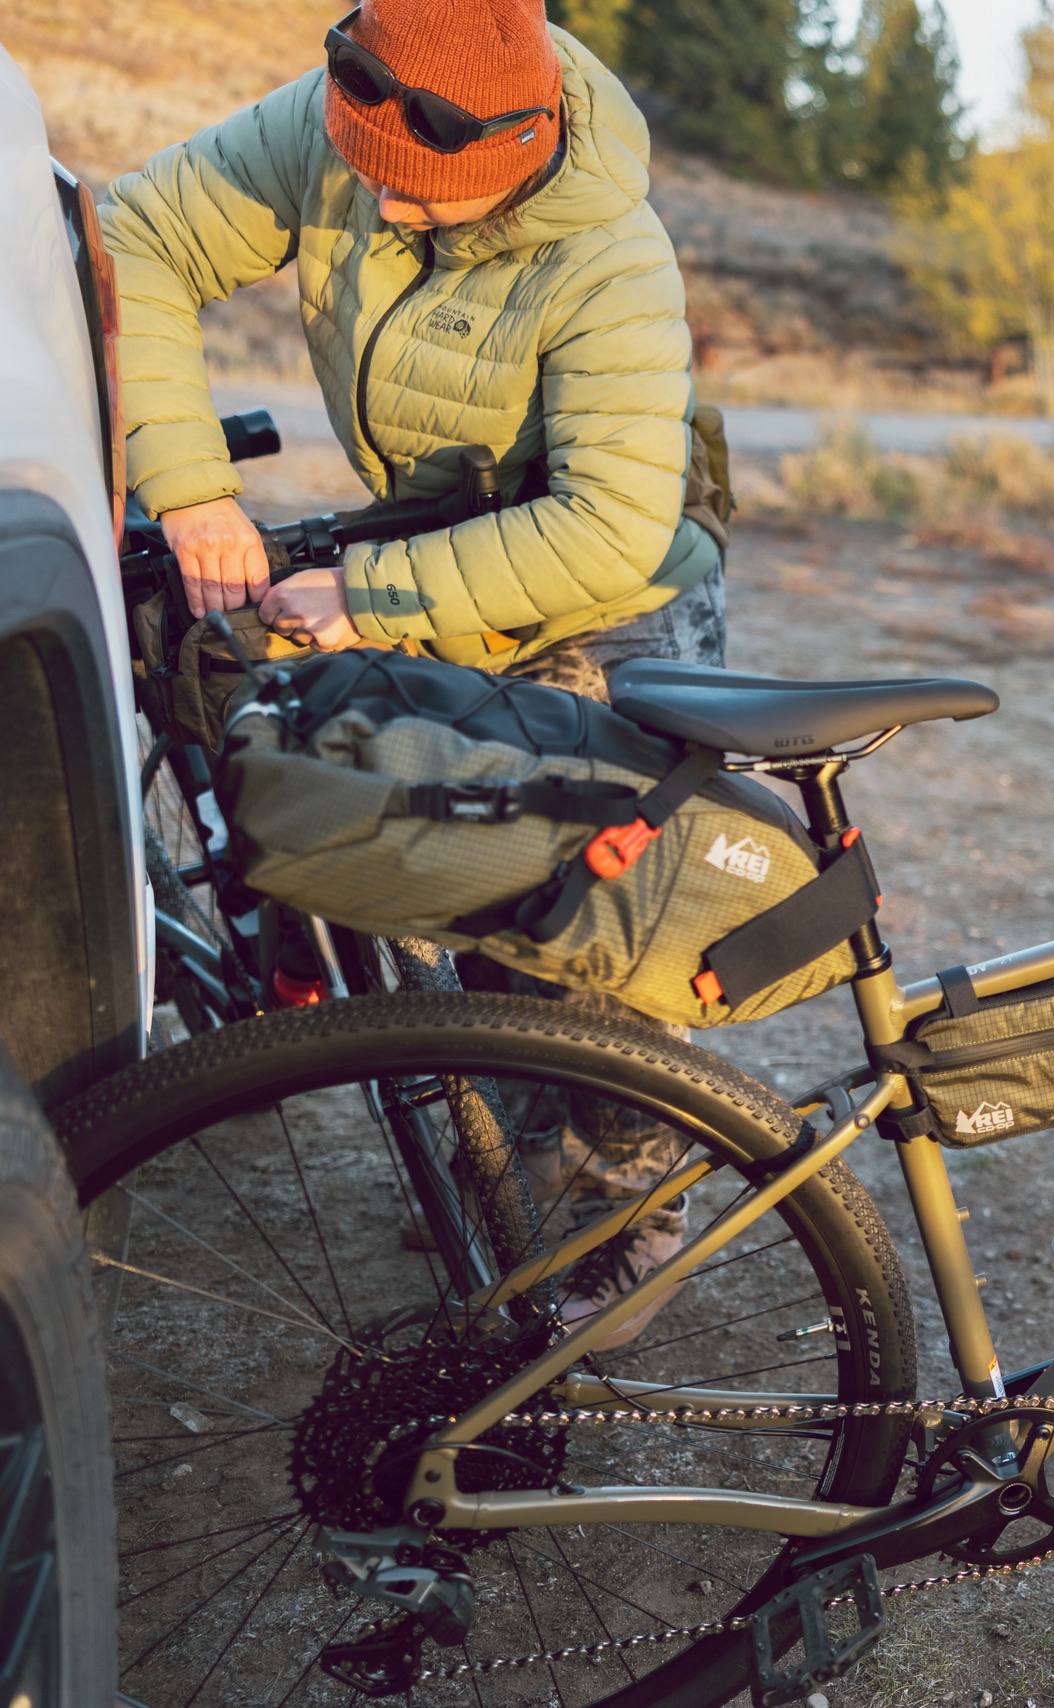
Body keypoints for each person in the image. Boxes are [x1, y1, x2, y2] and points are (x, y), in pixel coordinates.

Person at [103, 0, 726, 1342]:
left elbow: (610, 527)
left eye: (422, 202)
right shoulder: (353, 113)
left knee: (593, 938)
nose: (380, 218)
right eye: (370, 184)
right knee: (465, 879)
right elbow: (139, 229)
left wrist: (372, 594)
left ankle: (629, 1219)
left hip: (605, 597)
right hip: (449, 549)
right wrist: (193, 491)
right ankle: (513, 1168)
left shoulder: (613, 255)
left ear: (523, 141)